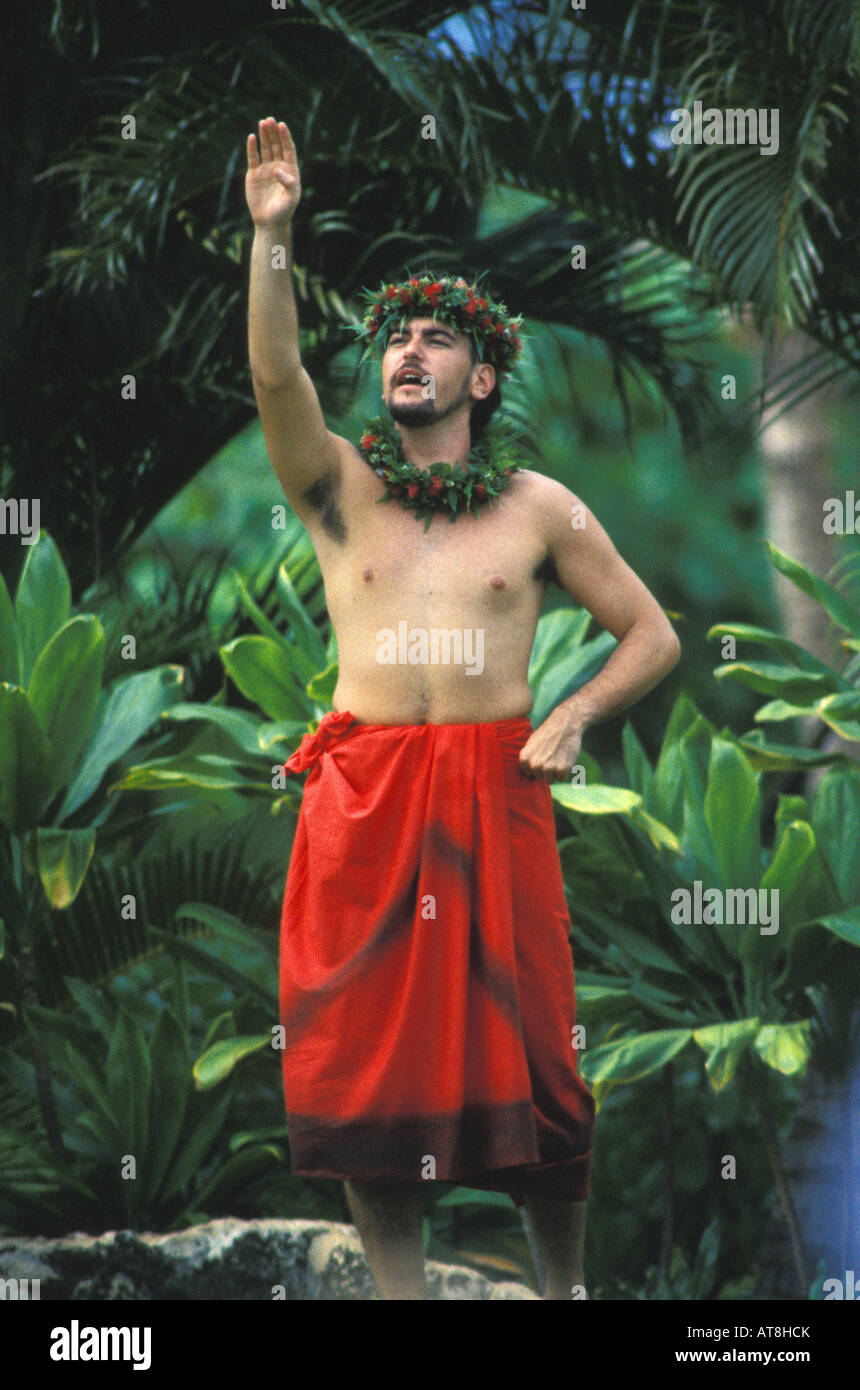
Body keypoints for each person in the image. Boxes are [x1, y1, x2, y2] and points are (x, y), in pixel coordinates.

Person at [245, 117, 681, 1300]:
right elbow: (276, 375)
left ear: (479, 377)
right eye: (394, 338)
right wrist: (273, 234)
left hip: (497, 788)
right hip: (366, 796)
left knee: (538, 1054)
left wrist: (577, 710)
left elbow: (651, 633)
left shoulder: (539, 507)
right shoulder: (339, 491)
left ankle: (562, 1291)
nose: (407, 353)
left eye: (435, 338)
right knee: (358, 1065)